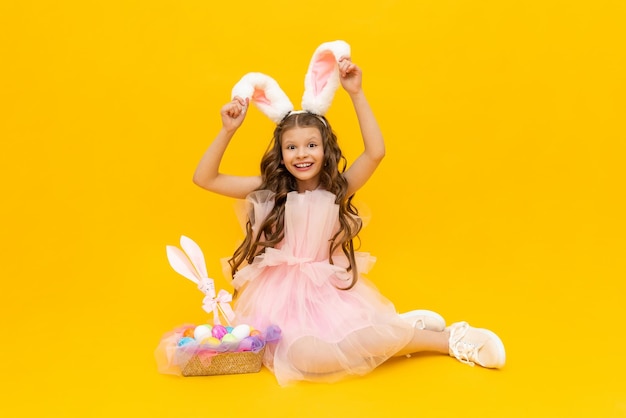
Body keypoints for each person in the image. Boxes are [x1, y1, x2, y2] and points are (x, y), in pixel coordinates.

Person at [192, 41, 505, 385]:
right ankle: (399, 330)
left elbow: (376, 152)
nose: (302, 154)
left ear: (326, 149)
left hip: (326, 291)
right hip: (277, 297)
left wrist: (355, 93)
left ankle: (448, 339)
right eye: (291, 147)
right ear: (280, 155)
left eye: (311, 145)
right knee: (304, 358)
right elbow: (204, 178)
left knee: (334, 349)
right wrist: (228, 130)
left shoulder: (336, 188)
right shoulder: (269, 188)